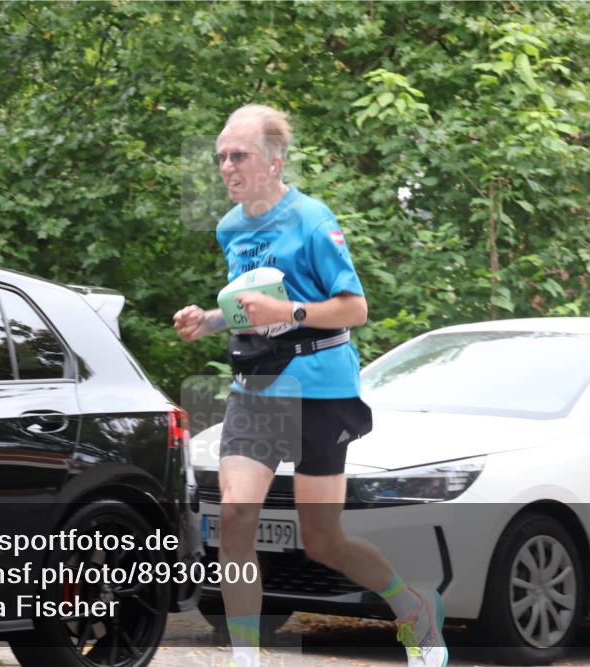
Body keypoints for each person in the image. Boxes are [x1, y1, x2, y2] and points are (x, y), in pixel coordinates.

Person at [173, 104, 447, 667]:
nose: (227, 166)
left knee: (323, 541)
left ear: (274, 161)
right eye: (221, 156)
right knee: (235, 516)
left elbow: (356, 308)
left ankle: (413, 608)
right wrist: (212, 319)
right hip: (257, 388)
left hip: (320, 386)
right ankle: (246, 656)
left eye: (239, 155)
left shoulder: (314, 220)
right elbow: (248, 306)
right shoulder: (230, 226)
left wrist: (287, 310)